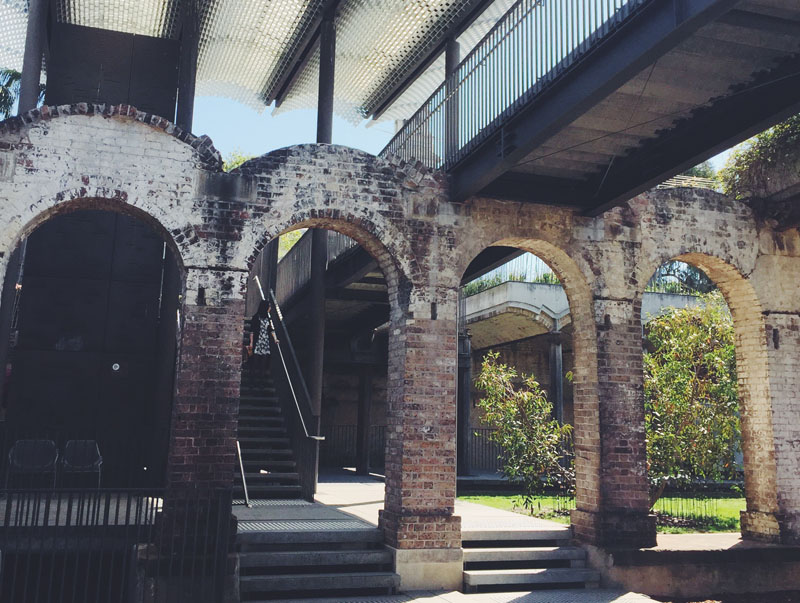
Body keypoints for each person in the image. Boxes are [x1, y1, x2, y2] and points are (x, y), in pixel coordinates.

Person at [250, 300, 276, 373]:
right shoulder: (256, 317)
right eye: (269, 306)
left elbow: (271, 329)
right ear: (265, 307)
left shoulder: (268, 318)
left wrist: (275, 339)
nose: (270, 308)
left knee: (264, 360)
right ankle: (252, 376)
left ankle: (261, 376)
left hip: (265, 341)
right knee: (255, 359)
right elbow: (252, 331)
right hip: (258, 341)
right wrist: (251, 343)